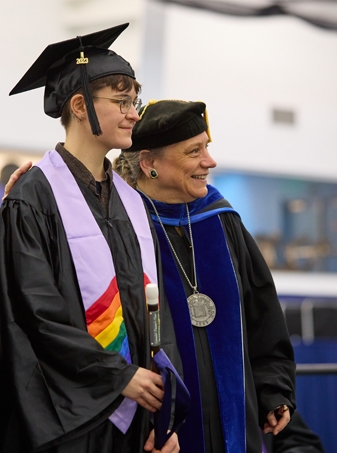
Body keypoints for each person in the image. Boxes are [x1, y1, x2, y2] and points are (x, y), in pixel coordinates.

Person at [0, 24, 181, 453]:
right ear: (79, 105)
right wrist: (117, 375)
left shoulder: (131, 202)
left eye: (134, 101)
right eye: (121, 101)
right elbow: (34, 314)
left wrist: (160, 413)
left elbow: (153, 310)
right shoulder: (34, 196)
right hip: (66, 420)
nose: (133, 113)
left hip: (133, 416)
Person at [113, 99, 297, 453]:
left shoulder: (222, 220)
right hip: (159, 434)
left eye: (207, 148)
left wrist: (273, 389)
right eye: (194, 151)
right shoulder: (124, 230)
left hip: (234, 425)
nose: (209, 162)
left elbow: (263, 318)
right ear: (150, 163)